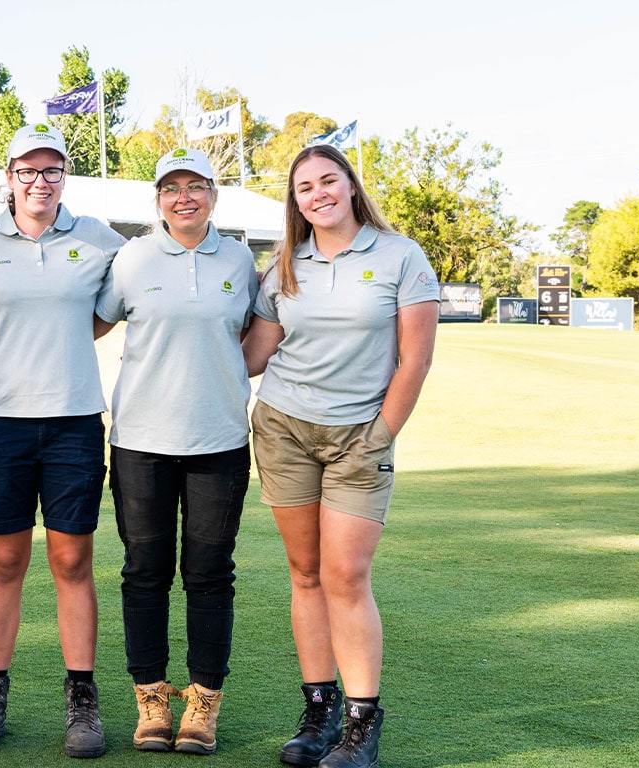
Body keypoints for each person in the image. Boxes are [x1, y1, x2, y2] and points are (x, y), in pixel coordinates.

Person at [242, 144, 438, 768]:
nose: (318, 193)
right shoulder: (284, 268)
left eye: (329, 181)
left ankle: (361, 725)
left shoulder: (400, 256)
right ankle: (319, 713)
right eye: (305, 187)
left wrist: (381, 433)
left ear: (352, 187)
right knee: (305, 574)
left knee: (346, 575)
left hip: (360, 435)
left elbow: (416, 358)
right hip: (284, 429)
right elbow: (254, 355)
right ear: (295, 202)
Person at [0, 123, 125, 759]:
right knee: (4, 562)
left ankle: (82, 701)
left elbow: (108, 311)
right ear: (9, 177)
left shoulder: (98, 238)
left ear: (63, 177)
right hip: (1, 422)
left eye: (52, 170)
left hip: (75, 421)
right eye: (28, 170)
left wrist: (63, 343)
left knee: (72, 562)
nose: (40, 181)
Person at [94, 148, 258, 755]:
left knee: (210, 574)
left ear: (214, 194)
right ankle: (153, 703)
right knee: (144, 573)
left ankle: (203, 706)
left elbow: (258, 330)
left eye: (196, 187)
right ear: (157, 199)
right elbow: (90, 322)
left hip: (219, 440)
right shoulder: (131, 258)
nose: (183, 198)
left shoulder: (240, 260)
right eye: (171, 188)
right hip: (140, 442)